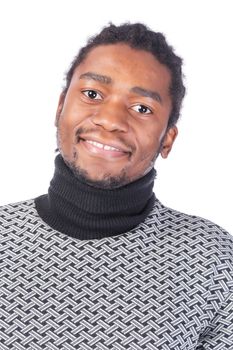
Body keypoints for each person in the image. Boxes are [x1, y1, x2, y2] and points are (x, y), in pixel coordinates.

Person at [0, 22, 232, 349]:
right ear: (59, 108)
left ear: (167, 138)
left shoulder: (212, 259)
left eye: (141, 108)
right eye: (92, 94)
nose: (110, 120)